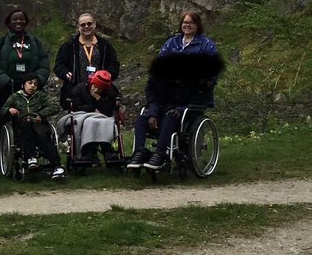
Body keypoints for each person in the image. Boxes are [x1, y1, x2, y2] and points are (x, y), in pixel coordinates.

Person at [127, 12, 224, 171]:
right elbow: (152, 90)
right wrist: (152, 112)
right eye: (185, 22)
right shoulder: (172, 43)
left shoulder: (205, 45)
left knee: (170, 116)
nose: (187, 25)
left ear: (197, 25)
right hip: (167, 98)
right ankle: (139, 153)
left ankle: (160, 154)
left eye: (191, 23)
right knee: (142, 119)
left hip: (191, 99)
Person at [0, 7, 50, 168]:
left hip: (31, 89)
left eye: (21, 19)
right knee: (4, 122)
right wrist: (6, 81)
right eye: (15, 19)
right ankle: (1, 159)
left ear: (26, 21)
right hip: (7, 89)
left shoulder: (34, 42)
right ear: (9, 22)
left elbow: (44, 63)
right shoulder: (0, 43)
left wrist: (37, 81)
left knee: (35, 120)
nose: (18, 21)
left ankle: (38, 154)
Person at [1, 74, 65, 180]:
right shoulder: (15, 97)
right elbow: (2, 111)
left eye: (35, 84)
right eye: (30, 83)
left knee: (42, 135)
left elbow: (55, 107)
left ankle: (57, 165)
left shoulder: (41, 96)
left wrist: (41, 114)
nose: (32, 86)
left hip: (38, 122)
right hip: (22, 125)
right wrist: (9, 110)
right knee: (26, 123)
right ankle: (31, 157)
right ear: (23, 84)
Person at [53, 12, 120, 108]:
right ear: (78, 27)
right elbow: (59, 65)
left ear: (95, 24)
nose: (86, 26)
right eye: (83, 25)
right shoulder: (69, 45)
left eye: (89, 23)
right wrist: (65, 73)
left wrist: (109, 73)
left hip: (101, 90)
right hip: (76, 91)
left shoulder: (104, 45)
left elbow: (114, 64)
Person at [58, 69, 120, 164]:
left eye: (100, 89)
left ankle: (107, 150)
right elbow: (75, 106)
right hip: (84, 116)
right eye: (95, 86)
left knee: (104, 122)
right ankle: (88, 152)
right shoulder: (80, 89)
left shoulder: (110, 91)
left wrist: (97, 97)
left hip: (103, 117)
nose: (96, 89)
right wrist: (92, 109)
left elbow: (108, 110)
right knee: (90, 122)